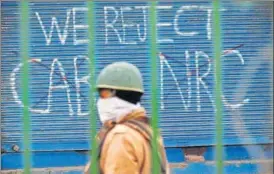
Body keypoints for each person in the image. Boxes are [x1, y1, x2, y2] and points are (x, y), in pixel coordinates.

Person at [84, 62, 170, 174]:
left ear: (117, 95)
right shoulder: (146, 129)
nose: (100, 101)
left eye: (103, 94)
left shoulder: (122, 137)